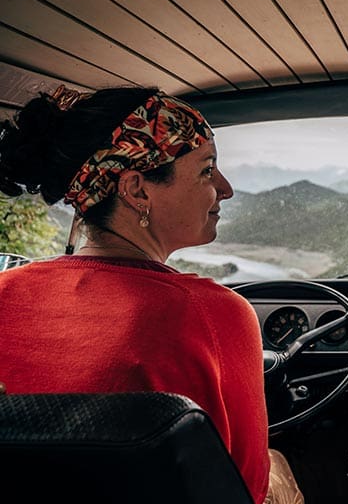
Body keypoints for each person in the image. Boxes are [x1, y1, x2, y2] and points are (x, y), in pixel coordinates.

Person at [0, 86, 303, 504]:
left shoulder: (4, 292)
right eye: (206, 170)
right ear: (137, 189)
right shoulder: (216, 313)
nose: (226, 188)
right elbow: (244, 486)